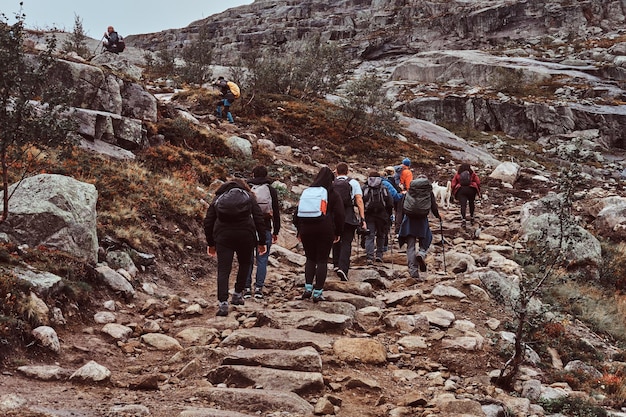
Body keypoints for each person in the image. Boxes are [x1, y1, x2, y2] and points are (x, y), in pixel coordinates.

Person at [204, 179, 267, 316]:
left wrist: (210, 243)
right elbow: (259, 219)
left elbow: (208, 221)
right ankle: (238, 294)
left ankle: (223, 303)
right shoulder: (249, 197)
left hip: (223, 236)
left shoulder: (218, 198)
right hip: (246, 235)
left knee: (223, 269)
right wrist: (262, 241)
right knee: (245, 264)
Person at [293, 167, 345, 302]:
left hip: (306, 229)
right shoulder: (333, 193)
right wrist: (338, 231)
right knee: (322, 260)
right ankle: (318, 292)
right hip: (325, 229)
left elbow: (296, 212)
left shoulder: (308, 192)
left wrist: (299, 229)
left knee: (310, 259)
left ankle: (308, 288)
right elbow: (340, 214)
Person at [244, 165, 281, 299]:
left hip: (248, 228)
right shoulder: (271, 190)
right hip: (265, 228)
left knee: (247, 259)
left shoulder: (247, 188)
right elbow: (276, 212)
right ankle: (259, 288)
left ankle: (246, 288)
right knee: (262, 259)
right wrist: (276, 231)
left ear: (253, 174)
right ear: (266, 175)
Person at [397, 175, 442, 279]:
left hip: (409, 221)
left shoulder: (409, 192)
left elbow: (401, 210)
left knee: (410, 246)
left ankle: (413, 271)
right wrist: (438, 216)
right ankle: (421, 253)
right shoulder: (428, 193)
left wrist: (398, 226)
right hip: (422, 221)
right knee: (427, 238)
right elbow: (434, 207)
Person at [332, 162, 366, 281]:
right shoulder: (353, 182)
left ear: (336, 171)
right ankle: (343, 268)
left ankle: (336, 264)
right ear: (347, 172)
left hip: (334, 215)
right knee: (346, 242)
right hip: (348, 215)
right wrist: (362, 218)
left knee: (335, 239)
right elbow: (359, 201)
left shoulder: (332, 183)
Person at [362, 171, 394, 264]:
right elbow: (390, 203)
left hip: (368, 215)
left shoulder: (365, 187)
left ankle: (369, 257)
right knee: (381, 235)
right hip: (382, 216)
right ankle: (379, 255)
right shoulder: (383, 187)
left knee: (369, 236)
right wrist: (388, 215)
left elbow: (359, 201)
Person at [451, 163, 481, 227]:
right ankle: (472, 217)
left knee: (463, 205)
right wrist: (478, 189)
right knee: (471, 203)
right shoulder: (472, 173)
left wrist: (453, 191)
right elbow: (478, 181)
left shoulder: (458, 173)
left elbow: (453, 183)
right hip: (471, 189)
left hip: (461, 190)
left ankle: (463, 220)